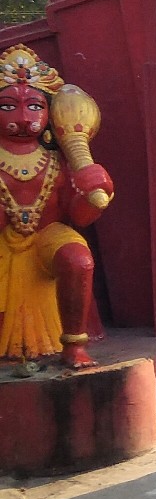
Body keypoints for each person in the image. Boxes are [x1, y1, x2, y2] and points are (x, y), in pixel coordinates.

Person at [0, 46, 114, 368]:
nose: (23, 119)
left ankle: (74, 346)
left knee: (78, 258)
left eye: (34, 106)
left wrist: (96, 191)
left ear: (50, 114)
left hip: (47, 237)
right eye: (8, 107)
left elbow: (78, 215)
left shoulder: (57, 161)